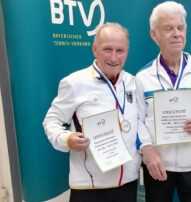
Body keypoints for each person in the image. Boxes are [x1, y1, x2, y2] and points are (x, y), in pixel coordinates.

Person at [43, 22, 140, 202]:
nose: (114, 57)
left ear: (127, 51)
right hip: (90, 186)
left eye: (120, 50)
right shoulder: (74, 83)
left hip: (128, 183)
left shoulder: (133, 83)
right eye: (107, 49)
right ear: (94, 49)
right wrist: (66, 139)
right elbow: (51, 121)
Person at [136, 1, 191, 202]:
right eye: (168, 28)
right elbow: (136, 120)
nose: (176, 33)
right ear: (154, 35)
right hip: (158, 165)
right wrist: (147, 150)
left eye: (180, 28)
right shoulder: (143, 76)